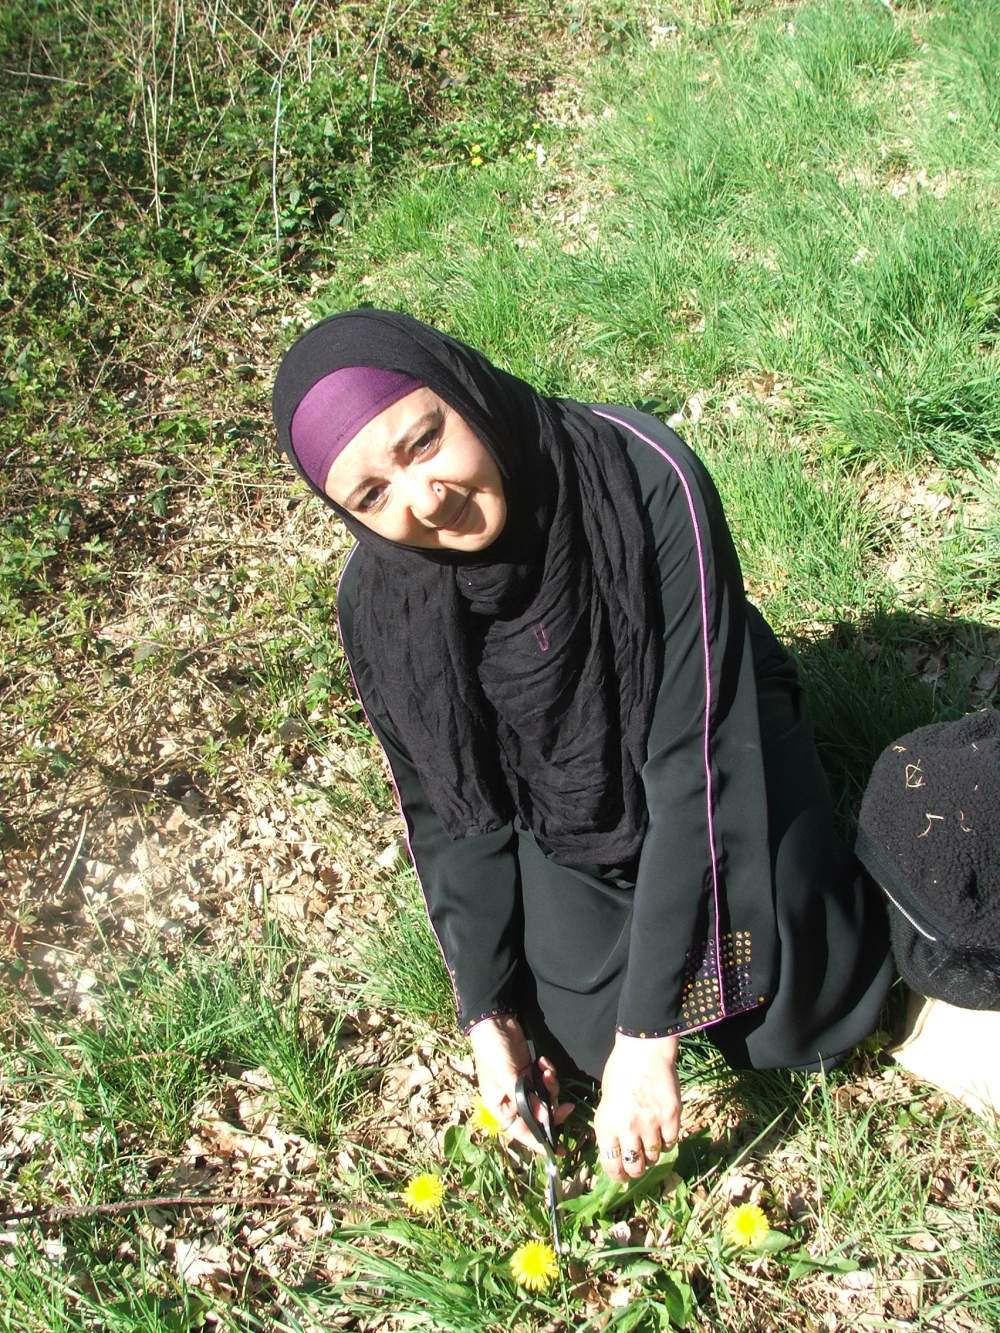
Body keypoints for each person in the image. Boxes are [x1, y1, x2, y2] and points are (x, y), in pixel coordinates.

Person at [272, 309, 893, 1181]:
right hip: (560, 794)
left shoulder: (639, 474)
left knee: (787, 1009)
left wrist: (652, 1033)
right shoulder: (380, 605)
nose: (423, 500)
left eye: (422, 442)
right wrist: (487, 1013)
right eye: (372, 496)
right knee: (569, 1039)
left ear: (462, 389)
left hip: (711, 728)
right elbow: (452, 811)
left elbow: (699, 758)